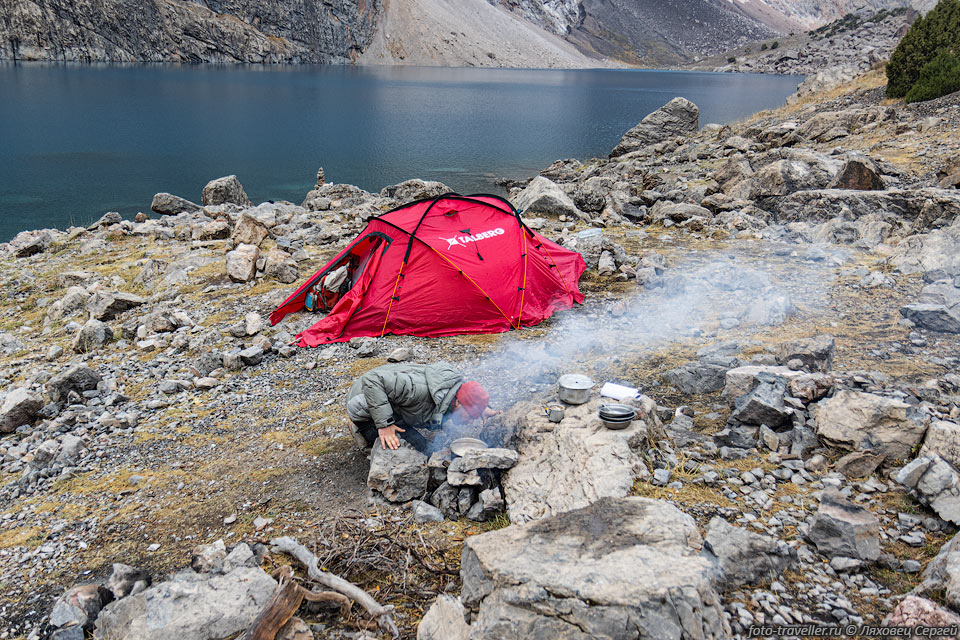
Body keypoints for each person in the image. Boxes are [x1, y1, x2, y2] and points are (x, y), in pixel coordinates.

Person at [345, 361, 497, 451]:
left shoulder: (453, 390)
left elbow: (468, 390)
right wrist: (384, 424)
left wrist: (480, 409)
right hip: (362, 399)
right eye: (471, 417)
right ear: (458, 402)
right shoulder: (416, 390)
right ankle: (361, 429)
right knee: (402, 446)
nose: (471, 422)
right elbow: (372, 380)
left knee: (423, 446)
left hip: (393, 397)